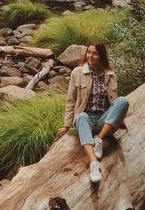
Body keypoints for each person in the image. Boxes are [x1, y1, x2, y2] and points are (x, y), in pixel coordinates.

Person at [55, 42, 129, 183]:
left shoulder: (109, 74)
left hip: (103, 121)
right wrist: (66, 125)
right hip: (86, 120)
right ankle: (94, 163)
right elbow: (70, 100)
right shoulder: (77, 72)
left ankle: (99, 139)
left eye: (94, 53)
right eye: (88, 52)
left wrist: (116, 119)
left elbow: (114, 101)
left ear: (101, 56)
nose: (90, 55)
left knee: (123, 101)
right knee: (81, 116)